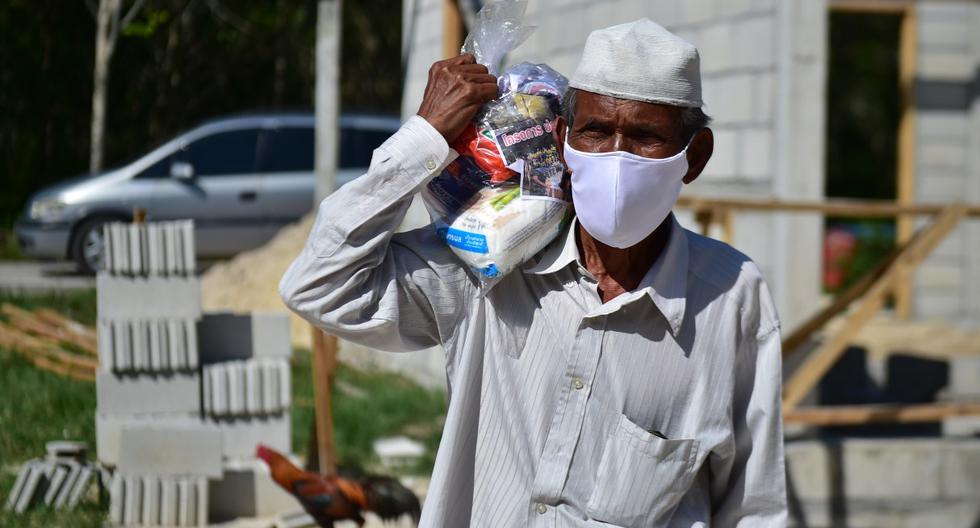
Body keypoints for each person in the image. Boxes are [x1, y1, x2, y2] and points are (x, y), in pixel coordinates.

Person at [280, 18, 786, 528]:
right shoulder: (488, 264)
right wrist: (424, 140)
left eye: (644, 137)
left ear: (693, 157)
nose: (615, 157)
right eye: (595, 131)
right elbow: (319, 287)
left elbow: (754, 508)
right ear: (563, 139)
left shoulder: (731, 297)